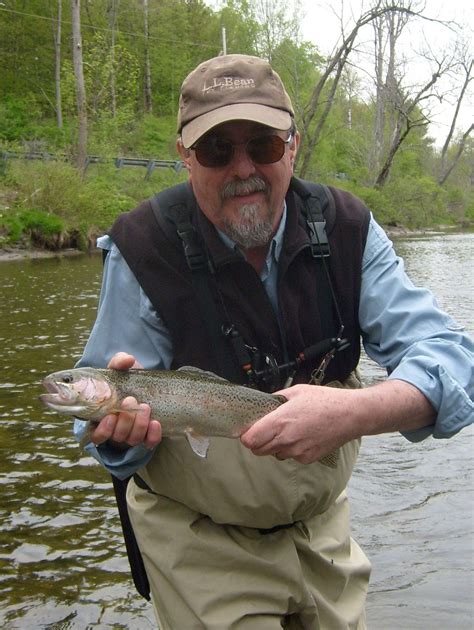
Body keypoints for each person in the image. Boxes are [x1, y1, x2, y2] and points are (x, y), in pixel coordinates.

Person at [75, 54, 473, 629]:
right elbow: (99, 432)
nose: (243, 169)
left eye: (261, 145)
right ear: (185, 157)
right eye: (217, 150)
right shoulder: (142, 248)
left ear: (292, 146)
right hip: (198, 538)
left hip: (322, 527)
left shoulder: (348, 230)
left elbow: (453, 358)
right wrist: (118, 441)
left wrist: (357, 411)